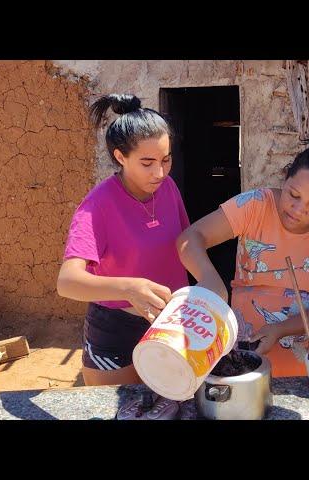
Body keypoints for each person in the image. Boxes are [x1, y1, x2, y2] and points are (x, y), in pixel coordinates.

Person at [176, 133, 309, 377]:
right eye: (293, 195)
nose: (298, 210)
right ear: (284, 179)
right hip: (246, 352)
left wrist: (281, 329)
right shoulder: (255, 205)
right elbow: (189, 239)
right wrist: (209, 278)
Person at [56, 94, 189, 418]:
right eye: (147, 163)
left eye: (166, 159)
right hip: (117, 332)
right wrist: (128, 288)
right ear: (120, 156)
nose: (159, 172)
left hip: (169, 325)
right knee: (121, 412)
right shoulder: (97, 206)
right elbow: (68, 282)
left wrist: (208, 285)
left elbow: (185, 241)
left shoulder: (168, 188)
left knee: (174, 409)